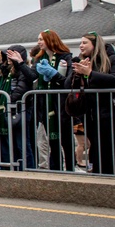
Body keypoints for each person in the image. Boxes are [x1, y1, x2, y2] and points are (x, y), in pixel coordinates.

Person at [64, 32, 115, 175]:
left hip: (110, 108)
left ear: (95, 45)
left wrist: (90, 73)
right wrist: (77, 73)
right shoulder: (79, 61)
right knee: (95, 143)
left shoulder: (113, 59)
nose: (81, 46)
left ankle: (108, 174)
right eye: (80, 43)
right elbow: (67, 85)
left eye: (85, 43)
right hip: (89, 110)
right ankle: (98, 173)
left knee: (105, 142)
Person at [32, 30, 74, 171]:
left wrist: (53, 74)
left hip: (61, 105)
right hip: (46, 105)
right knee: (52, 142)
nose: (39, 42)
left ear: (50, 40)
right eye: (38, 39)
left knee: (66, 141)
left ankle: (70, 168)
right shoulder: (39, 59)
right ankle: (56, 168)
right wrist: (20, 63)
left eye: (41, 39)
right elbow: (31, 76)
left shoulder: (66, 57)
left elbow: (67, 82)